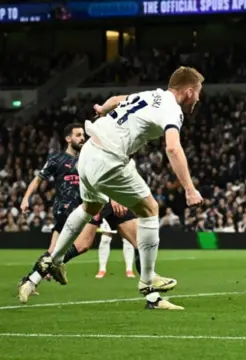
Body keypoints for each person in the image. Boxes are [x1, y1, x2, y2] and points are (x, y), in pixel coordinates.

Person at [36, 66, 204, 309]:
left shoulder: (150, 95)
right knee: (150, 209)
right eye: (198, 93)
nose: (198, 98)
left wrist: (102, 109)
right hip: (108, 158)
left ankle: (55, 258)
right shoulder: (173, 110)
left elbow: (115, 100)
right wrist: (189, 188)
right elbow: (172, 148)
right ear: (189, 91)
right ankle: (148, 280)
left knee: (89, 206)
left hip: (88, 153)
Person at [19, 202, 183, 310]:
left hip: (111, 196)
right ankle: (32, 280)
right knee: (81, 245)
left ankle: (153, 298)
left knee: (141, 242)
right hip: (103, 196)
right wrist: (113, 197)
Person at [20, 123, 85, 285]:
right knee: (81, 245)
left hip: (82, 208)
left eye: (83, 134)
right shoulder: (57, 159)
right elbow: (38, 179)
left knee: (54, 249)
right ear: (68, 139)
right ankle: (53, 267)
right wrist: (25, 198)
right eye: (78, 135)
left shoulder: (87, 158)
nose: (82, 138)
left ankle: (32, 278)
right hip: (65, 207)